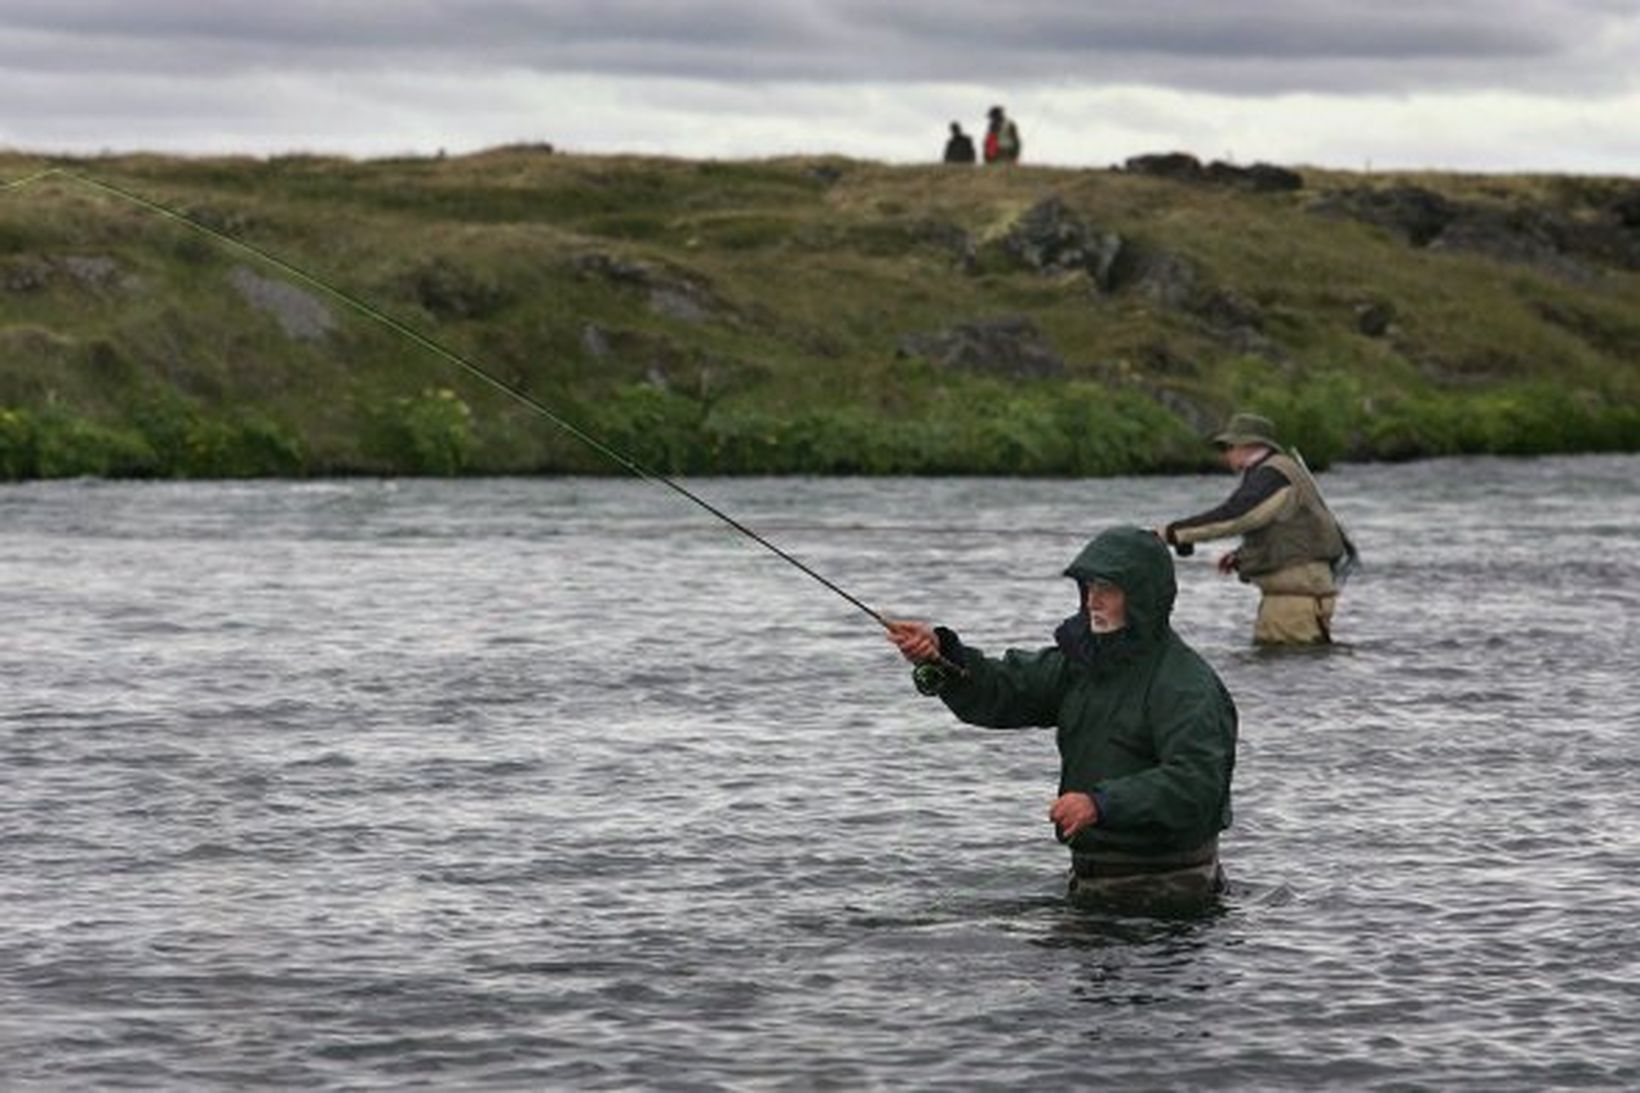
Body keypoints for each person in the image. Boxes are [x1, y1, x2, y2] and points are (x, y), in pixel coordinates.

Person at [886, 525, 1237, 911]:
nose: (1092, 601)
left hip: (1172, 894)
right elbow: (1003, 690)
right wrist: (941, 654)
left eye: (1107, 589)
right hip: (1095, 885)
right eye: (1088, 588)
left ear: (1142, 598)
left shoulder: (1186, 685)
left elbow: (1197, 784)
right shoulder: (1082, 665)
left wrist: (1100, 804)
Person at [1160, 412, 1358, 646]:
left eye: (1228, 446)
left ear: (1248, 445)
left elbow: (1237, 516)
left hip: (1294, 604)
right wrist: (1240, 557)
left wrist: (1173, 533)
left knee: (1286, 669)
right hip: (1298, 598)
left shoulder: (1272, 476)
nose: (1226, 454)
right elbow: (1284, 530)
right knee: (1292, 666)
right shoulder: (1279, 470)